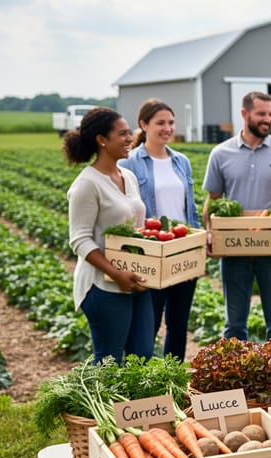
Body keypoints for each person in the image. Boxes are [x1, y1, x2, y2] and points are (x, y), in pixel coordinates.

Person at [202, 91, 271, 340]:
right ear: (244, 114)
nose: (267, 119)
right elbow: (211, 203)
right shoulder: (221, 154)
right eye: (261, 114)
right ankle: (234, 375)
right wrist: (210, 233)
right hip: (234, 249)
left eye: (270, 114)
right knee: (234, 325)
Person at [65, 107, 155, 364]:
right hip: (103, 285)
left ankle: (135, 405)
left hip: (137, 279)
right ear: (101, 140)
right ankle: (102, 405)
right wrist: (116, 274)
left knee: (143, 356)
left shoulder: (127, 175)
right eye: (122, 134)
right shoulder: (87, 184)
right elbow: (80, 240)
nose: (130, 138)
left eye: (129, 132)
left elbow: (135, 224)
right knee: (109, 361)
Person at [119, 99, 200, 360]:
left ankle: (172, 377)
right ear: (143, 124)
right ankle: (144, 382)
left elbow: (191, 206)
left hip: (181, 248)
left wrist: (197, 244)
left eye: (171, 123)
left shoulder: (181, 161)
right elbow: (125, 210)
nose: (167, 128)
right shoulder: (130, 162)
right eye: (160, 123)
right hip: (150, 252)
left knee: (178, 324)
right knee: (148, 324)